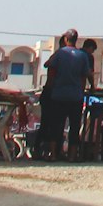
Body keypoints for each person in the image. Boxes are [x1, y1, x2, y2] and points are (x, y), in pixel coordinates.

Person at [42, 29, 90, 160]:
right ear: (76, 40)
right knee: (74, 127)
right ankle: (72, 156)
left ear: (65, 40)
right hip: (76, 96)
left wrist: (50, 89)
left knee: (56, 125)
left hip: (59, 95)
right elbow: (85, 75)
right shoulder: (83, 55)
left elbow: (49, 67)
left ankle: (53, 154)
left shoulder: (60, 54)